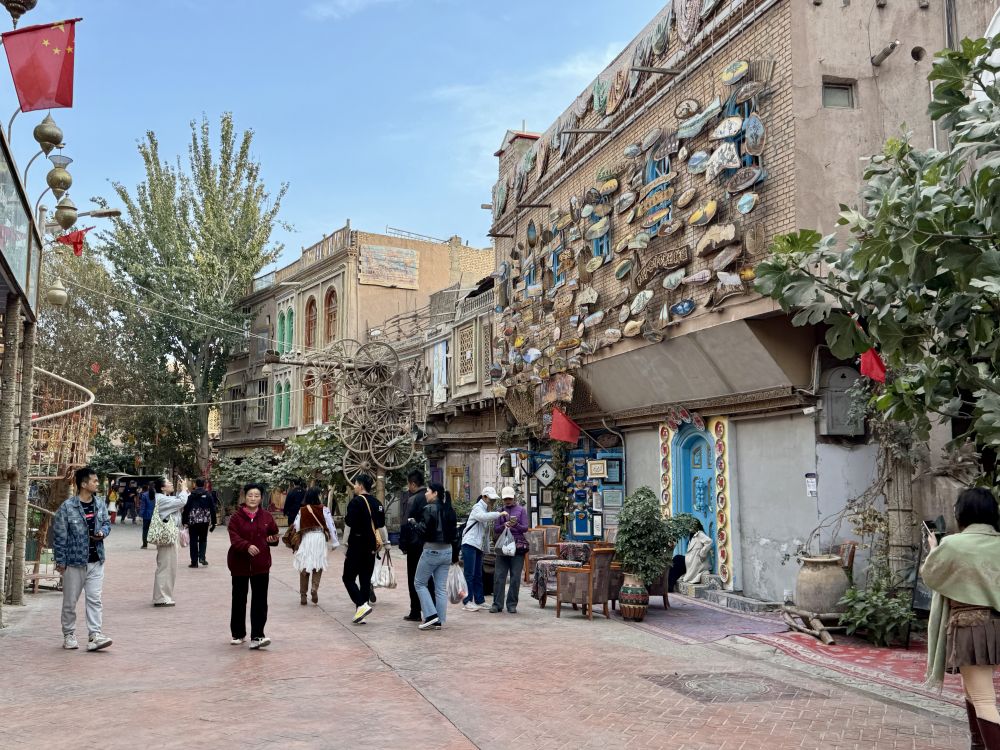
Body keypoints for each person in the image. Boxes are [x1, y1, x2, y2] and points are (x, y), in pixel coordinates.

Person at [922, 487, 1000, 748]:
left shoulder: (954, 544)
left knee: (984, 699)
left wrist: (934, 549)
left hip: (971, 625)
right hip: (996, 625)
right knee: (973, 690)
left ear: (962, 513)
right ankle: (977, 745)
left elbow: (931, 575)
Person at [53, 466, 112, 652]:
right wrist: (60, 561)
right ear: (84, 484)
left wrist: (103, 532)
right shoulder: (67, 507)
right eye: (94, 481)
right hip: (74, 562)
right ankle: (69, 634)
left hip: (96, 560)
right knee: (70, 602)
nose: (97, 483)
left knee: (95, 599)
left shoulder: (100, 504)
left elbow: (106, 523)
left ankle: (95, 635)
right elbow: (59, 536)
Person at [227, 483, 280, 649]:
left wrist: (273, 540)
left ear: (261, 498)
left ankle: (257, 635)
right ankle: (238, 634)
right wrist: (247, 546)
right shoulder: (236, 517)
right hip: (239, 565)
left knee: (260, 601)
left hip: (261, 564)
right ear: (245, 497)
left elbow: (273, 533)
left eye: (257, 496)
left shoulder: (267, 517)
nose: (253, 498)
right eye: (250, 495)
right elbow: (234, 538)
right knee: (239, 599)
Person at [411, 483, 459, 630]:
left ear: (435, 493)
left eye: (428, 491)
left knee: (419, 583)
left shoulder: (429, 508)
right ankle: (439, 620)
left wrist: (414, 524)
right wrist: (455, 556)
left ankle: (431, 615)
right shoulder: (449, 509)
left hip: (432, 550)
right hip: (447, 551)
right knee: (440, 588)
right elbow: (455, 535)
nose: (426, 493)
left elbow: (423, 531)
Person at [342, 474, 385, 624]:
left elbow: (349, 523)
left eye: (355, 484)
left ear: (360, 486)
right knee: (365, 580)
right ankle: (361, 615)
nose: (354, 486)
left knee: (348, 578)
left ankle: (361, 605)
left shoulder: (356, 502)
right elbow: (381, 525)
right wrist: (385, 543)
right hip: (371, 547)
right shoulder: (377, 503)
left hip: (357, 545)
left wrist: (345, 544)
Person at [459, 487, 506, 612]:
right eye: (491, 499)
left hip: (478, 546)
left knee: (478, 574)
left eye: (494, 499)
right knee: (469, 574)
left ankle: (479, 600)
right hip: (470, 544)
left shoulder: (486, 509)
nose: (493, 501)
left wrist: (485, 549)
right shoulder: (477, 508)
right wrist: (499, 514)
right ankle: (467, 601)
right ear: (484, 497)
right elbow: (482, 517)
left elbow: (485, 533)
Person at [292, 486, 339, 605]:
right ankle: (314, 588)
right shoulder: (324, 509)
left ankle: (303, 595)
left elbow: (296, 526)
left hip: (306, 538)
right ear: (317, 496)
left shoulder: (302, 510)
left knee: (304, 565)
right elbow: (331, 525)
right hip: (319, 538)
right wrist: (335, 542)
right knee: (318, 565)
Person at [490, 486, 529, 614]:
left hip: (517, 546)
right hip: (503, 545)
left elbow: (525, 528)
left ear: (514, 498)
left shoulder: (521, 510)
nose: (507, 501)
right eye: (505, 499)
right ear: (502, 499)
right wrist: (504, 525)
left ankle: (512, 604)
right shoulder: (500, 511)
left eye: (509, 498)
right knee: (499, 576)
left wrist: (515, 524)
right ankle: (497, 604)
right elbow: (496, 529)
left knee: (515, 577)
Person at [151, 477, 188, 607]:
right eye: (168, 482)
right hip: (168, 537)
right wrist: (183, 489)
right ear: (162, 488)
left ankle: (163, 596)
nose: (171, 483)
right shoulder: (161, 499)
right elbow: (182, 501)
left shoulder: (163, 498)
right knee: (166, 566)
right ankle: (161, 597)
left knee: (167, 566)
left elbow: (179, 500)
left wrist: (182, 490)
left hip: (169, 536)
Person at [399, 470, 429, 621]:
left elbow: (405, 523)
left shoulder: (413, 499)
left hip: (414, 544)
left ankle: (415, 611)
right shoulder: (431, 497)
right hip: (430, 544)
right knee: (429, 580)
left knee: (414, 578)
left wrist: (403, 544)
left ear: (413, 484)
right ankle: (430, 611)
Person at [182, 478, 217, 568]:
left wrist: (184, 521)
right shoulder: (208, 495)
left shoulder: (191, 496)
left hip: (193, 521)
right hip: (204, 521)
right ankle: (202, 557)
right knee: (203, 539)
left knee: (193, 540)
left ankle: (194, 562)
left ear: (195, 485)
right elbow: (213, 509)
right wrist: (214, 522)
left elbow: (186, 509)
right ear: (204, 484)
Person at [139, 483, 155, 549]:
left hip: (146, 515)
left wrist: (141, 515)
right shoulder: (157, 495)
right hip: (155, 515)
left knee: (145, 529)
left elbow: (143, 506)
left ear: (148, 487)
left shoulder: (144, 495)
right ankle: (157, 544)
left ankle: (145, 544)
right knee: (155, 529)